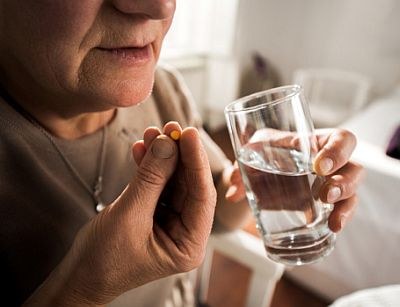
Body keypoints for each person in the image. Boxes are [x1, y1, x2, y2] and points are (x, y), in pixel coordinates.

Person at [0, 1, 363, 306]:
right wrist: (84, 287)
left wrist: (254, 181)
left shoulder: (163, 89)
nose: (160, 5)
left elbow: (219, 207)